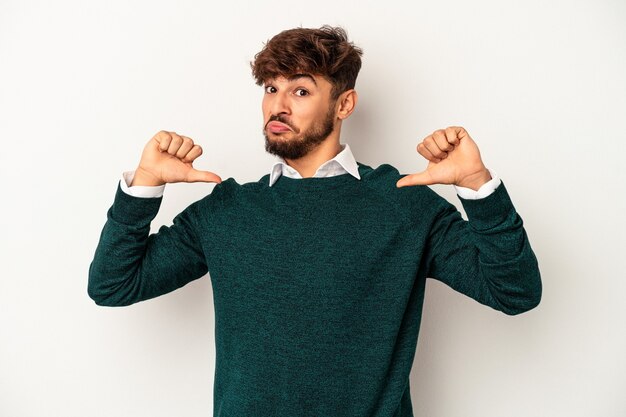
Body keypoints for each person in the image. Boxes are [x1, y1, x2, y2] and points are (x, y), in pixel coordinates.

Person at [88, 25, 541, 417]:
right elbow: (112, 285)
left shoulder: (405, 204)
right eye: (270, 88)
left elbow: (515, 292)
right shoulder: (227, 211)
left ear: (344, 105)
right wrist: (144, 187)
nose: (277, 106)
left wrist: (477, 187)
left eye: (299, 90)